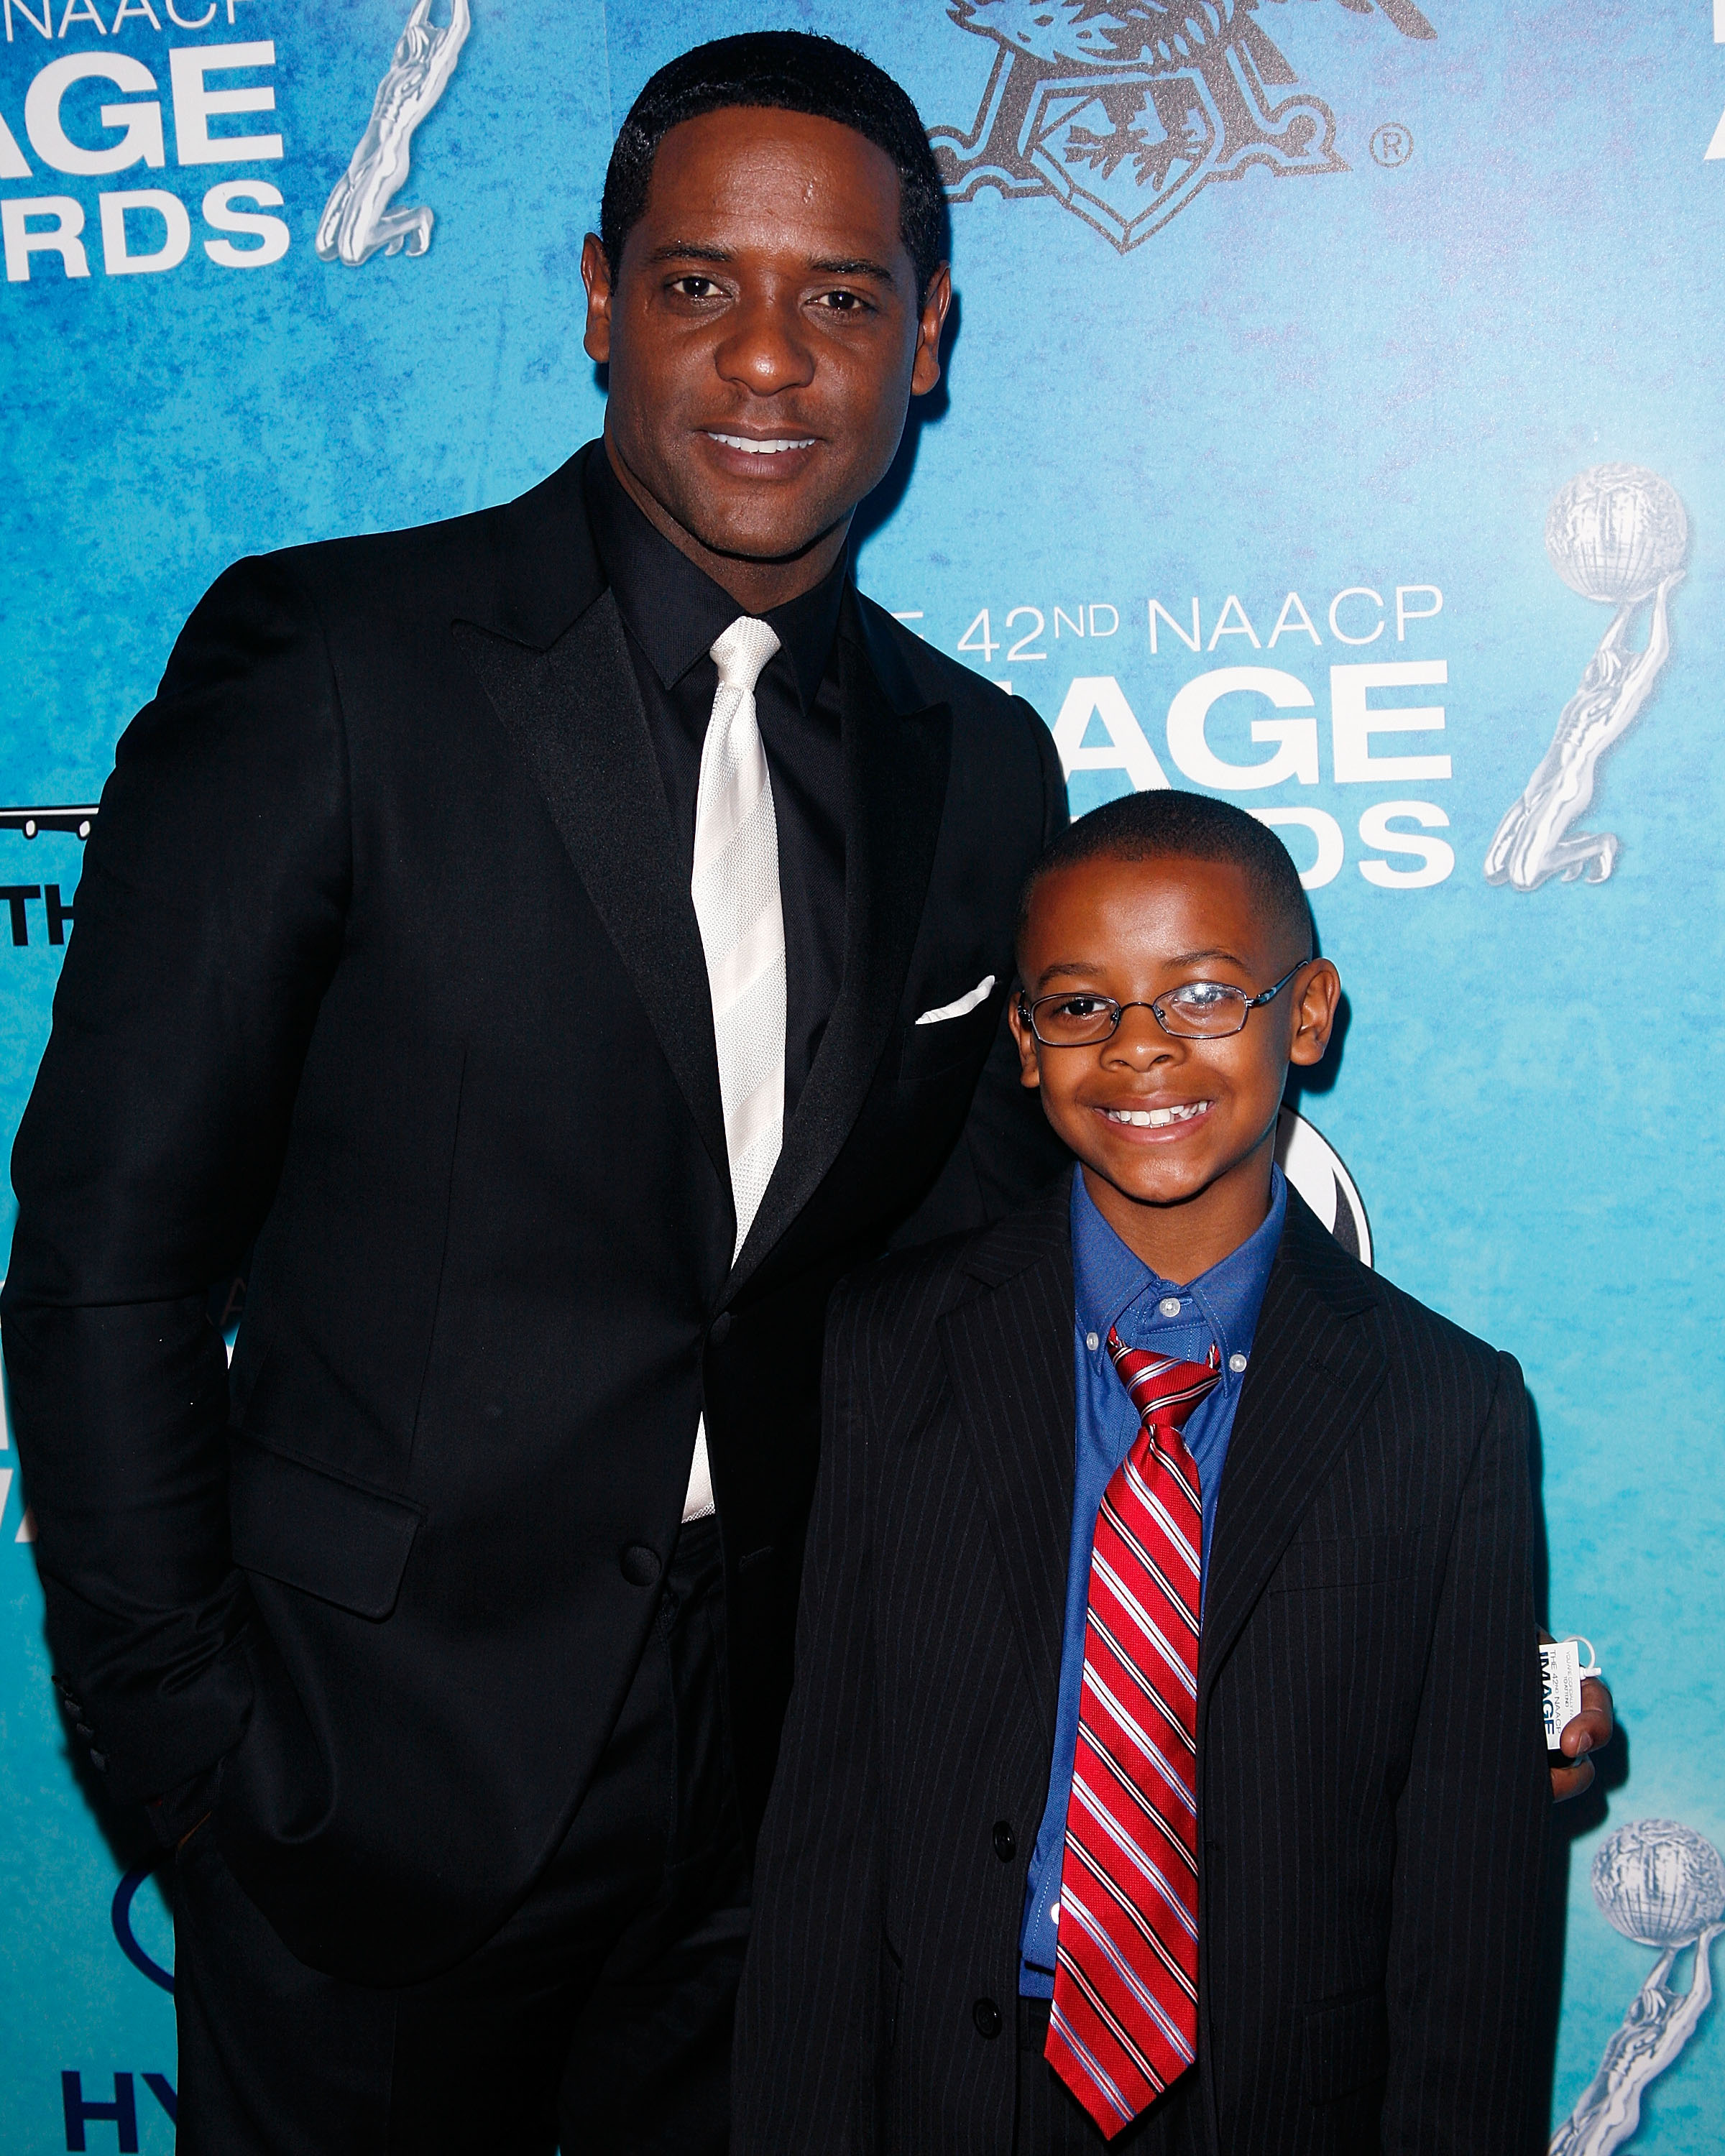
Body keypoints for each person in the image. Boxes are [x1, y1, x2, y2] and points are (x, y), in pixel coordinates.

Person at [0, 34, 1066, 2155]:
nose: (769, 361)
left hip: (776, 1818)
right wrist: (193, 1755)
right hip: (358, 1792)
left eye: (842, 298)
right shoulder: (334, 666)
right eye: (699, 285)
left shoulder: (984, 768)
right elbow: (111, 1250)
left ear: (926, 340)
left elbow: (965, 1305)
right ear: (597, 300)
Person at [735, 789, 1555, 2154]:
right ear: (1021, 1043)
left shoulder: (1446, 1407)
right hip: (960, 2088)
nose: (1138, 1051)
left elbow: (1469, 1905)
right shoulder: (894, 1350)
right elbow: (830, 1821)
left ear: (1307, 1012)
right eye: (1079, 1007)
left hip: (1279, 2104)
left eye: (1202, 996)